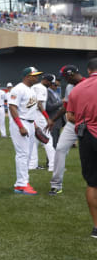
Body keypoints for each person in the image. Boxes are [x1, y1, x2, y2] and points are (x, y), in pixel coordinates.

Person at [66, 58, 97, 238]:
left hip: (86, 136)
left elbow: (70, 116)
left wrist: (84, 121)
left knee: (92, 183)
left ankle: (96, 227)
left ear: (88, 70)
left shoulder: (76, 89)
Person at [49, 65, 86, 195]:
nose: (64, 81)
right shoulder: (70, 87)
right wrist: (53, 119)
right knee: (60, 149)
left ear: (71, 74)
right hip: (72, 124)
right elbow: (65, 106)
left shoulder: (89, 84)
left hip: (90, 123)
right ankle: (56, 185)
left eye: (65, 77)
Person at [8, 66, 42, 195]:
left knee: (27, 154)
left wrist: (34, 125)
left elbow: (30, 110)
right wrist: (20, 126)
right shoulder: (18, 89)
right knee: (22, 154)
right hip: (20, 122)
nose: (37, 77)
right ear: (28, 76)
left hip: (29, 123)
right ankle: (22, 184)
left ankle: (22, 182)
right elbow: (12, 107)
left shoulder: (31, 90)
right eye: (35, 75)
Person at [29, 73, 56, 171]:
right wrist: (47, 118)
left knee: (34, 141)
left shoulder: (34, 86)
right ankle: (53, 165)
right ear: (46, 81)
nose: (51, 85)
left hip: (31, 114)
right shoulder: (42, 88)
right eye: (51, 83)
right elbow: (39, 103)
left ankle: (32, 165)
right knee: (48, 139)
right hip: (38, 115)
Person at [46, 78, 63, 148]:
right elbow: (48, 107)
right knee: (53, 143)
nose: (57, 87)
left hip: (58, 120)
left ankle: (55, 158)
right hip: (52, 120)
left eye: (58, 85)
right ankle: (51, 158)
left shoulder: (55, 93)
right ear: (51, 85)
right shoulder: (47, 93)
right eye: (55, 85)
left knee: (56, 142)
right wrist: (61, 102)